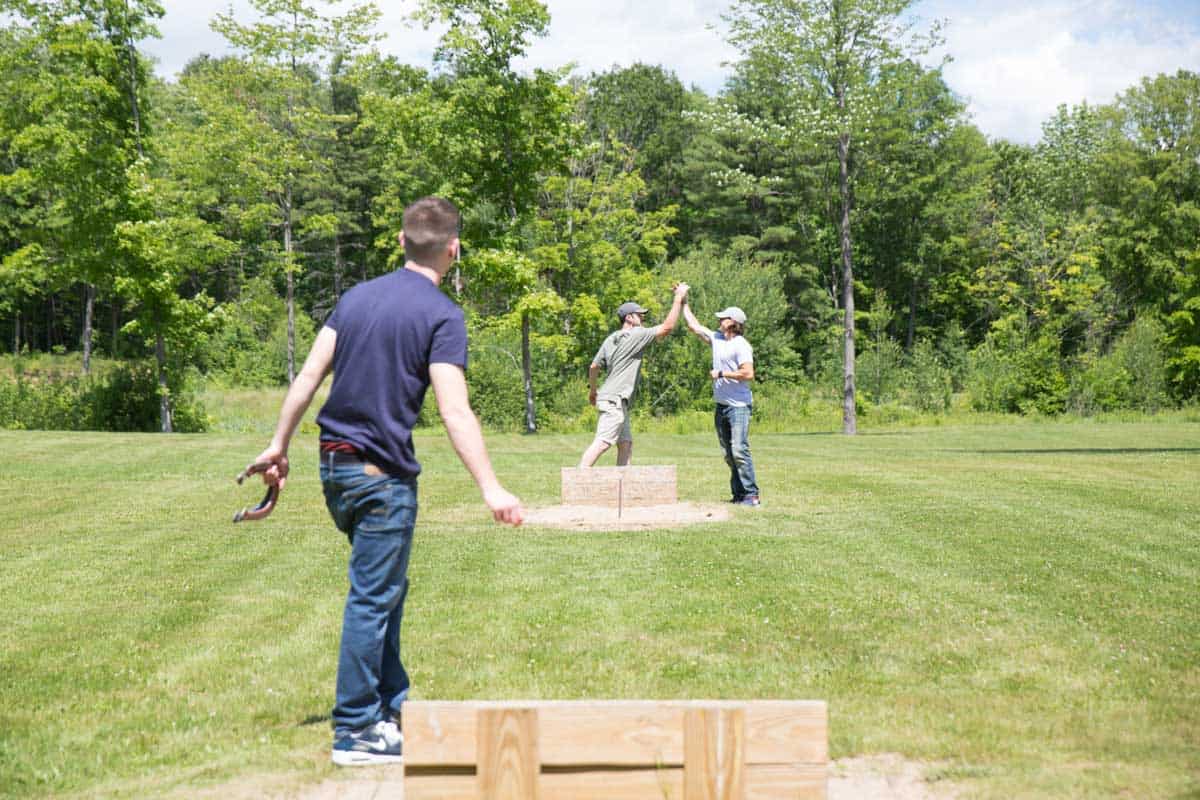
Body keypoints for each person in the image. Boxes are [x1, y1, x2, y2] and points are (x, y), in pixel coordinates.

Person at [246, 197, 524, 767]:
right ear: (454, 249)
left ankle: (391, 709)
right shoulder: (442, 314)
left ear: (401, 241)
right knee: (373, 598)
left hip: (333, 470)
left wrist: (279, 444)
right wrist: (491, 487)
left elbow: (308, 375)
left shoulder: (354, 299)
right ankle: (354, 731)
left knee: (385, 589)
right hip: (381, 478)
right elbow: (454, 410)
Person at [578, 283, 689, 467]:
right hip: (615, 400)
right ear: (629, 318)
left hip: (614, 399)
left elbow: (594, 366)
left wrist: (593, 391)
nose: (642, 318)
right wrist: (678, 298)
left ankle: (625, 486)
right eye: (639, 315)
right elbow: (667, 327)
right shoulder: (636, 334)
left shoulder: (611, 338)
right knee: (603, 442)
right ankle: (577, 479)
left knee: (625, 444)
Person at [682, 302, 760, 506]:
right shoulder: (717, 339)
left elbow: (749, 374)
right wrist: (683, 301)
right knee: (728, 454)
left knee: (739, 450)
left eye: (723, 318)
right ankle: (738, 494)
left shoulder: (741, 345)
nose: (719, 320)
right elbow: (694, 326)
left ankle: (751, 495)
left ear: (733, 323)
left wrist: (722, 373)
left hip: (739, 407)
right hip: (722, 405)